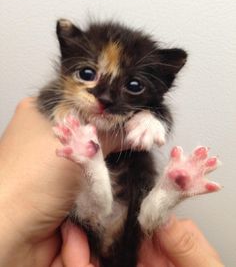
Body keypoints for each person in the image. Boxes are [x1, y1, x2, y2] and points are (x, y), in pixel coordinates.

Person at [0, 98, 224, 267]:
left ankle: (94, 164)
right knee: (146, 223)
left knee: (100, 213)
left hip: (99, 222)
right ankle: (165, 193)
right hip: (117, 226)